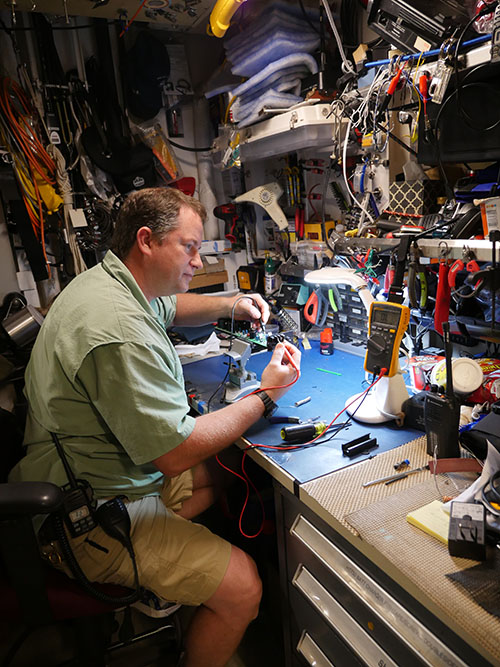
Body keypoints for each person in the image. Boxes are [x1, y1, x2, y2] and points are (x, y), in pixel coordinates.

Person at [9, 186, 301, 667]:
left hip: (94, 475)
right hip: (84, 517)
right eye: (188, 246)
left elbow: (167, 307)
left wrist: (231, 303)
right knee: (245, 587)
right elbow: (177, 452)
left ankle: (158, 578)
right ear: (146, 240)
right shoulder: (118, 329)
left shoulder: (109, 284)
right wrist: (265, 394)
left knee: (230, 471)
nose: (196, 258)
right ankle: (168, 581)